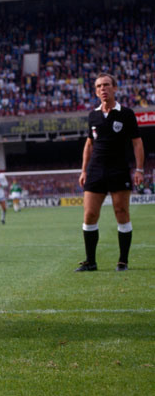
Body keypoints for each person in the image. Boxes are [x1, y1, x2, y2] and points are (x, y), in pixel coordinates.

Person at [76, 73, 144, 272]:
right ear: (96, 91)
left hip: (119, 169)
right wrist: (83, 170)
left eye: (106, 85)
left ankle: (123, 261)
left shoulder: (126, 114)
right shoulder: (93, 116)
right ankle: (91, 262)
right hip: (96, 170)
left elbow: (137, 143)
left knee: (121, 213)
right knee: (89, 214)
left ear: (115, 88)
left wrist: (139, 169)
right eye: (99, 86)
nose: (103, 89)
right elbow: (89, 144)